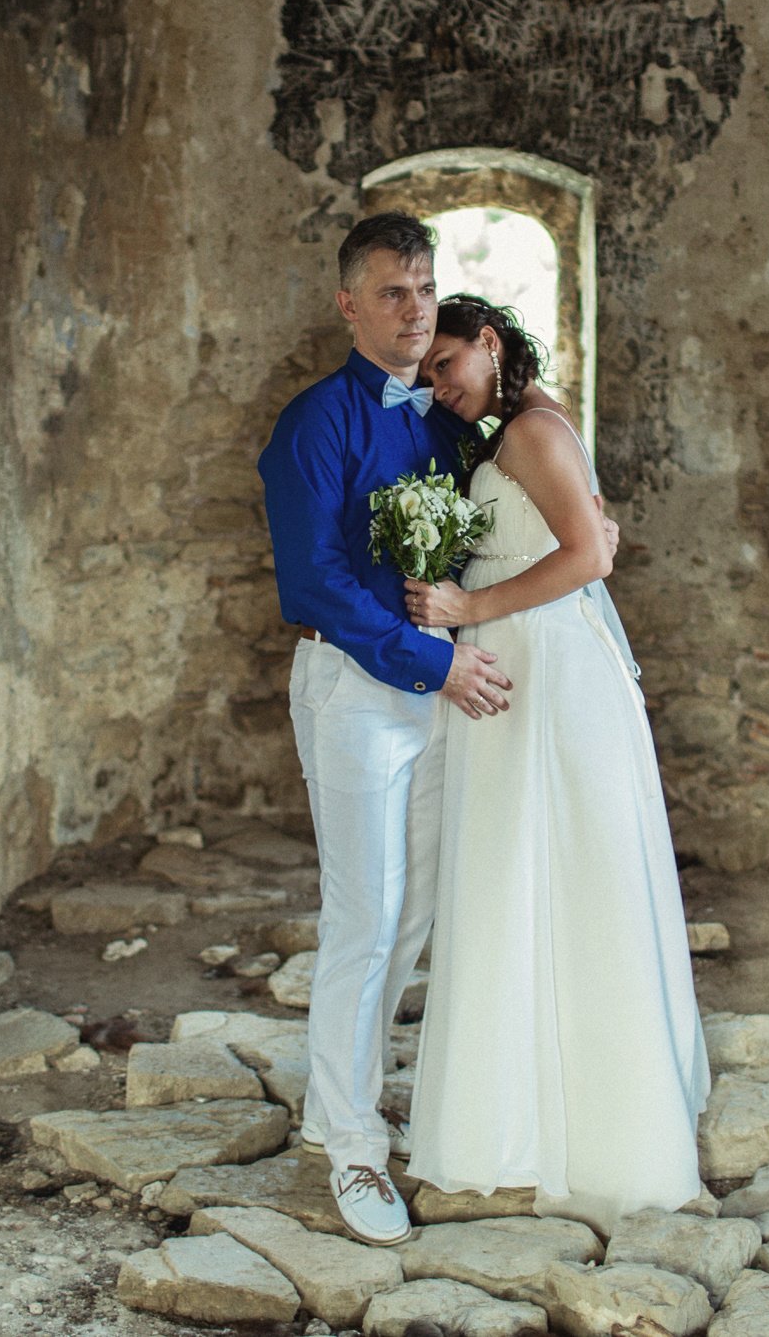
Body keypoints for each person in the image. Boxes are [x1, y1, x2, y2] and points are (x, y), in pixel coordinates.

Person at [400, 296, 710, 1233]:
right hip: (519, 671)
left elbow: (587, 558)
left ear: (490, 344)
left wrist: (468, 607)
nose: (439, 385)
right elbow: (580, 538)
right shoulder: (522, 428)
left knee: (572, 879)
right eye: (428, 373)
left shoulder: (533, 430)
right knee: (514, 877)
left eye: (448, 363)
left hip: (552, 675)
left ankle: (599, 1126)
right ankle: (525, 1115)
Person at [255, 213, 514, 1245]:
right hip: (355, 688)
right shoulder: (314, 422)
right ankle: (353, 1149)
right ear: (348, 304)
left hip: (439, 688)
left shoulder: (447, 422)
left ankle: (343, 1100)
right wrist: (434, 662)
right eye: (392, 292)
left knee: (415, 915)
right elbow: (315, 578)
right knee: (364, 919)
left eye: (425, 288)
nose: (414, 309)